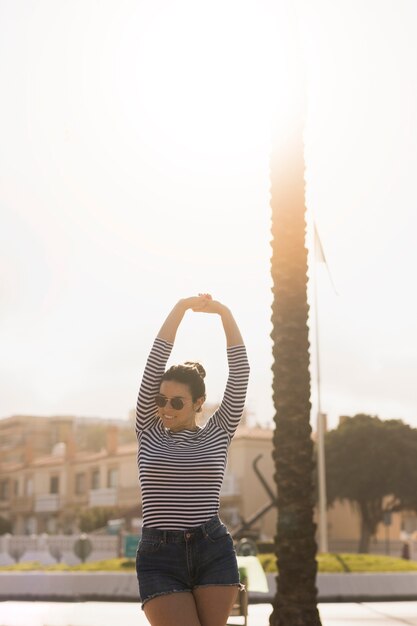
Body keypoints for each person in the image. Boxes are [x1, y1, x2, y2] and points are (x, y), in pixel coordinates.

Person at [135, 294, 250, 626]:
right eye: (161, 399)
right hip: (159, 554)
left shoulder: (218, 430)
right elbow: (155, 360)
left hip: (211, 547)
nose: (166, 408)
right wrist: (181, 307)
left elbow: (240, 373)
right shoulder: (148, 426)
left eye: (177, 402)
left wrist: (224, 313)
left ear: (199, 402)